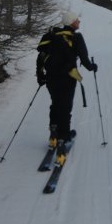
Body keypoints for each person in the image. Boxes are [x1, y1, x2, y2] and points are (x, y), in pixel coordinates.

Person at [36, 11, 97, 166]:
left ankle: (53, 136)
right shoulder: (76, 37)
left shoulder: (51, 35)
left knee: (55, 104)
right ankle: (63, 141)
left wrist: (40, 75)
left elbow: (41, 56)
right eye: (77, 20)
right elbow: (84, 58)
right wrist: (92, 67)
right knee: (65, 107)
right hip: (68, 78)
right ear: (71, 22)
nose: (79, 22)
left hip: (50, 78)